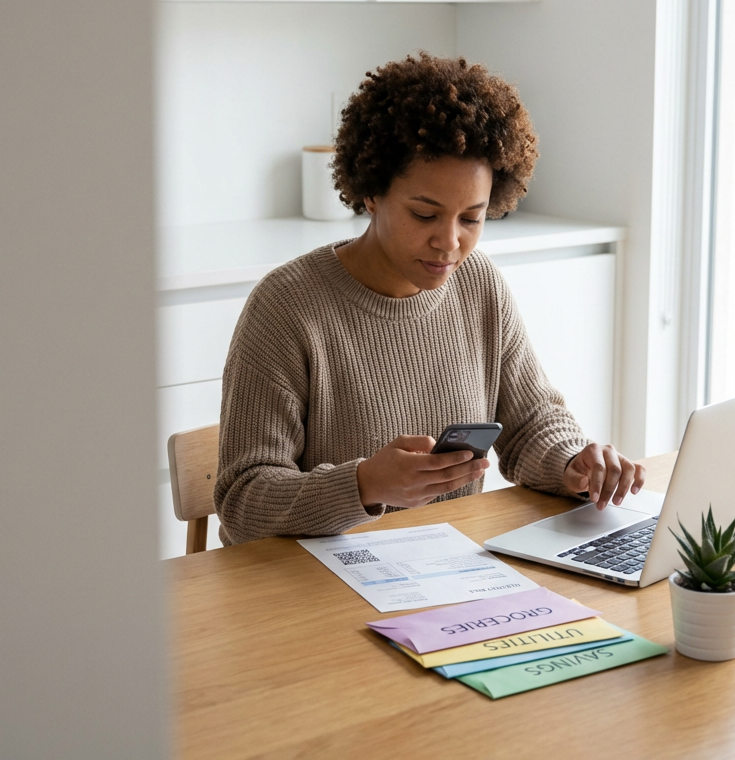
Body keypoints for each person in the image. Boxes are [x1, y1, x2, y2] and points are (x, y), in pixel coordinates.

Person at [214, 53, 645, 545]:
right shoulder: (287, 307)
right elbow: (243, 501)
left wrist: (574, 463)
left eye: (471, 218)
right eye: (424, 215)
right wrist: (362, 485)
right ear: (372, 192)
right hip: (314, 590)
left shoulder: (479, 285)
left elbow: (531, 424)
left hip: (450, 574)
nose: (450, 242)